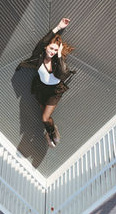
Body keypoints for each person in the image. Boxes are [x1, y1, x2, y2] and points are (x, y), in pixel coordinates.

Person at [16, 18, 75, 147]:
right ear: (46, 47)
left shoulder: (57, 61)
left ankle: (52, 132)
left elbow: (62, 74)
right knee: (45, 117)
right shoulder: (39, 56)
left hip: (54, 91)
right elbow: (42, 41)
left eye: (55, 50)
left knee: (44, 118)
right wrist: (58, 27)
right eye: (51, 48)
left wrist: (59, 56)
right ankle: (49, 132)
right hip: (41, 89)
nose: (52, 52)